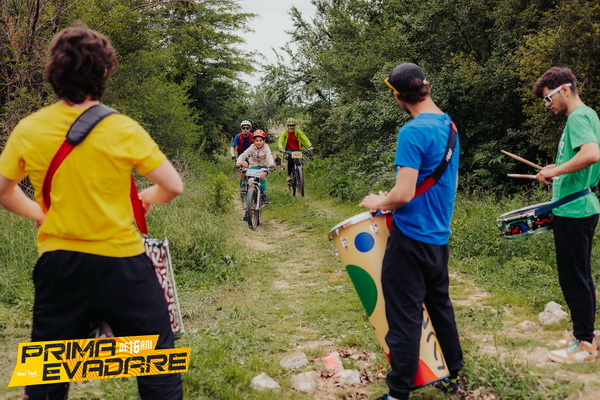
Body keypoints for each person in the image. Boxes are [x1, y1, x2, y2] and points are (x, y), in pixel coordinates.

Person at [0, 26, 184, 399]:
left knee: (47, 372)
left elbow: (3, 190)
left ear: (53, 72)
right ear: (104, 72)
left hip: (60, 264)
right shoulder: (122, 128)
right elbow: (173, 186)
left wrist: (41, 214)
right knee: (155, 361)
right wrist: (147, 196)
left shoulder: (30, 128)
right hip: (122, 264)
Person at [359, 63, 463, 400]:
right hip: (438, 236)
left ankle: (398, 392)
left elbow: (403, 194)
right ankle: (452, 377)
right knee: (439, 307)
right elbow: (442, 185)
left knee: (404, 314)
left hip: (411, 238)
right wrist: (395, 199)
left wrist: (380, 201)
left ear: (398, 96)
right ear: (426, 86)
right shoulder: (449, 126)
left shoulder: (413, 132)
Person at [533, 67, 600, 363]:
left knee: (574, 279)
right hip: (575, 206)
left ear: (564, 89)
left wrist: (556, 170)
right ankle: (584, 334)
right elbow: (580, 160)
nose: (547, 105)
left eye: (548, 98)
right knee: (579, 276)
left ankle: (584, 344)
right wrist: (555, 172)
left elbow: (592, 154)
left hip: (575, 209)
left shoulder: (578, 117)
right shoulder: (587, 115)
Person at [236, 130, 274, 204]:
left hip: (263, 166)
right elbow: (243, 155)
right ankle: (249, 206)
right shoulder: (252, 147)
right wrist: (238, 163)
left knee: (262, 176)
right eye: (256, 141)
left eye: (260, 140)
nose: (258, 142)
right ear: (254, 141)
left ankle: (263, 194)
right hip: (253, 167)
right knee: (250, 183)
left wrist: (271, 165)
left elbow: (269, 157)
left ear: (264, 141)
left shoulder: (266, 147)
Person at [277, 117, 313, 182]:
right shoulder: (285, 133)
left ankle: (300, 176)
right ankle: (289, 175)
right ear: (287, 126)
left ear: (295, 126)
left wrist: (310, 146)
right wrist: (281, 148)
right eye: (290, 126)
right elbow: (280, 141)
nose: (291, 127)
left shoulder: (298, 132)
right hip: (288, 150)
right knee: (290, 160)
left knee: (299, 162)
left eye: (293, 125)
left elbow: (305, 139)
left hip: (298, 150)